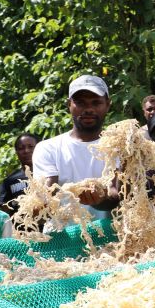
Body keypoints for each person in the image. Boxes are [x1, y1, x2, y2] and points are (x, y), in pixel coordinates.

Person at [31, 75, 114, 221]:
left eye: (96, 103)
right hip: (61, 240)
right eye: (80, 103)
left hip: (110, 239)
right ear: (69, 104)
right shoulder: (48, 148)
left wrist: (100, 199)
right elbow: (45, 195)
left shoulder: (119, 147)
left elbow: (119, 194)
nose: (89, 109)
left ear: (107, 104)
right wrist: (41, 203)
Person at [0, 133, 39, 215]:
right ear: (16, 152)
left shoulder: (50, 176)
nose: (26, 151)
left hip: (49, 226)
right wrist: (17, 202)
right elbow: (2, 210)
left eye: (30, 147)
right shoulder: (9, 181)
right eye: (21, 148)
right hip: (19, 226)